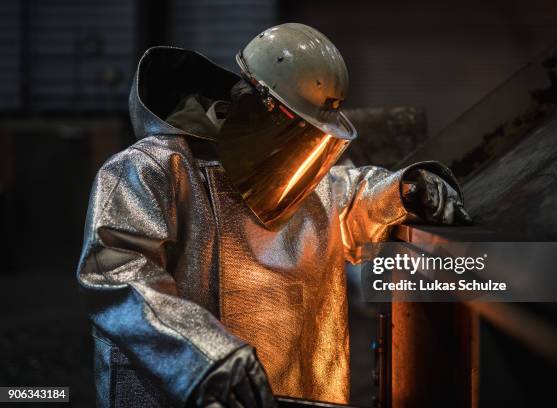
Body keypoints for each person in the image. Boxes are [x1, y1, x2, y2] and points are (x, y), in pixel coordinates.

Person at [77, 23, 470, 408]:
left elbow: (352, 197)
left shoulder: (295, 175)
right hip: (188, 390)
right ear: (251, 104)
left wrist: (409, 189)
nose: (300, 145)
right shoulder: (148, 171)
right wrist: (202, 352)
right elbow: (116, 273)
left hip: (296, 389)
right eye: (294, 128)